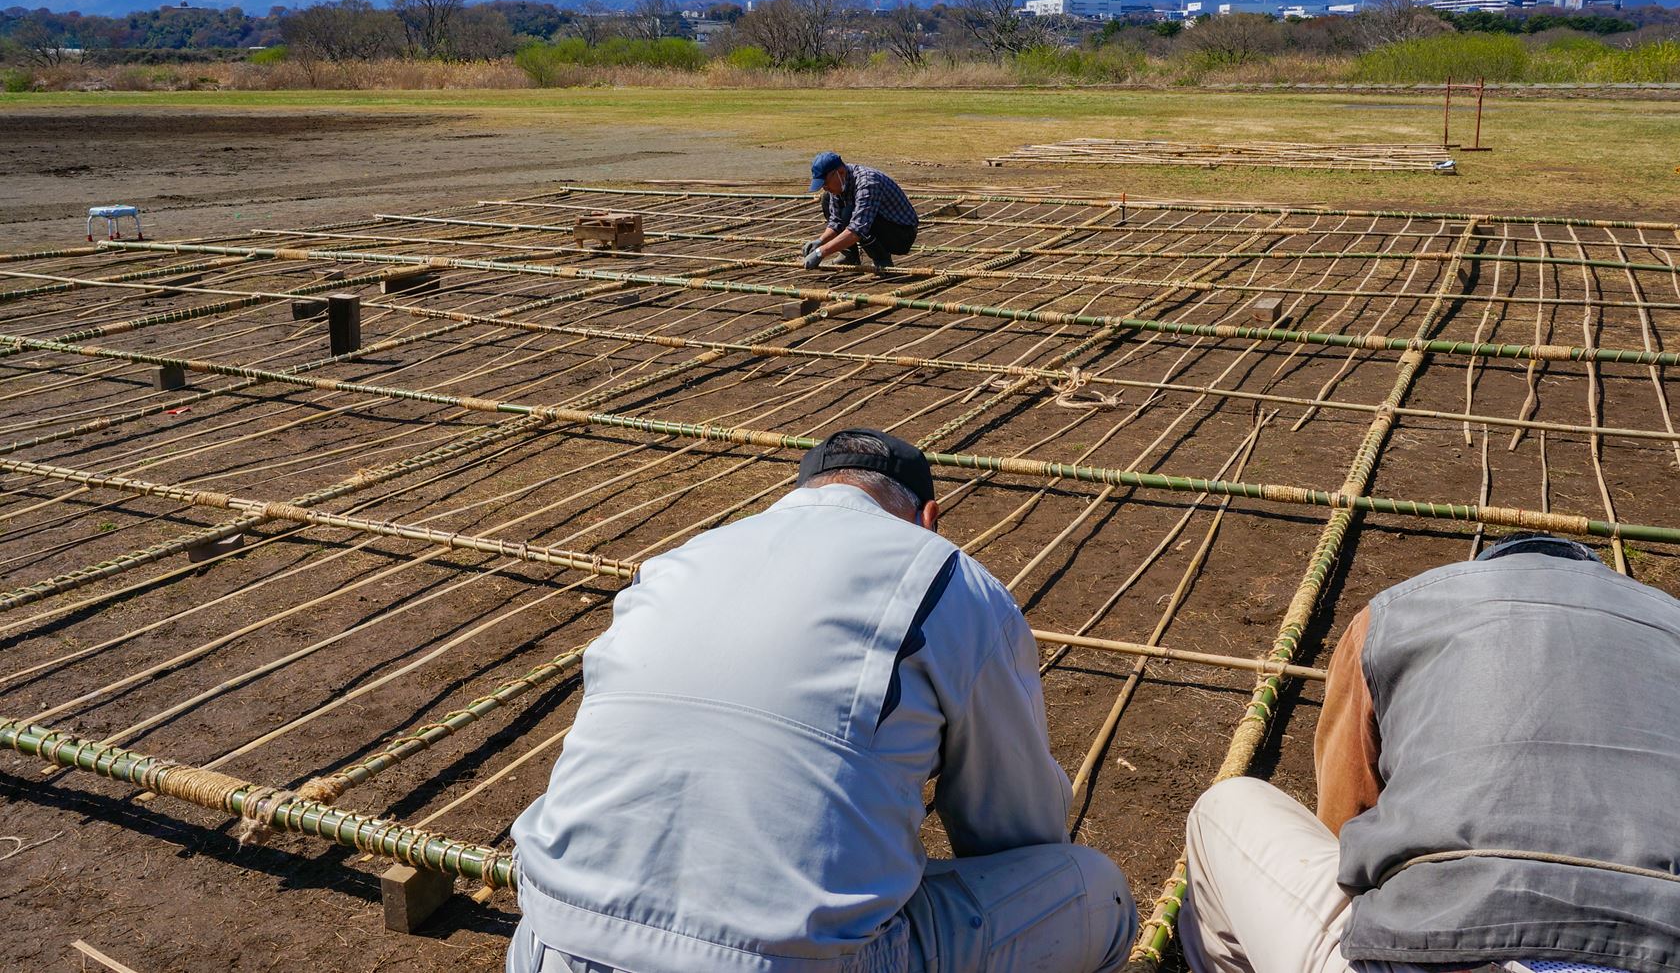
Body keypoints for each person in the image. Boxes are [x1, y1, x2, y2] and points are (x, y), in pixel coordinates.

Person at [509, 429, 1136, 973]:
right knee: (1096, 892)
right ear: (929, 518)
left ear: (799, 493)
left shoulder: (680, 559)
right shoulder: (948, 579)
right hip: (784, 962)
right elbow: (1013, 827)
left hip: (549, 940)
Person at [1178, 533, 1680, 973]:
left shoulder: (1399, 612)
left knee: (1226, 808)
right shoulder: (1671, 620)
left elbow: (1346, 816)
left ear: (1487, 566)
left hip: (1446, 947)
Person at [803, 152, 920, 273]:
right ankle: (849, 256)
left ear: (841, 172)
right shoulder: (840, 183)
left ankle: (882, 260)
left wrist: (821, 252)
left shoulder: (868, 183)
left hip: (901, 235)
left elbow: (857, 230)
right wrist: (820, 241)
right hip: (880, 226)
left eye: (826, 183)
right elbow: (836, 221)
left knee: (851, 214)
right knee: (826, 198)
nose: (825, 187)